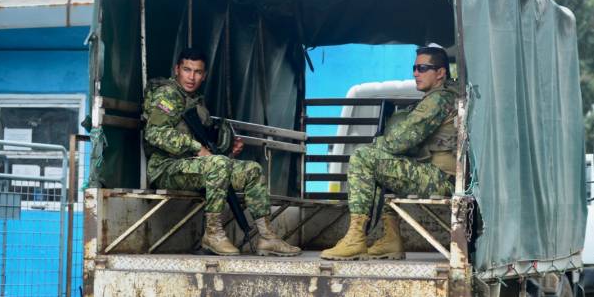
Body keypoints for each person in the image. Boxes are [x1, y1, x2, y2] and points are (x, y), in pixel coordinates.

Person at [143, 47, 300, 257]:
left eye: (198, 72)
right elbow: (154, 133)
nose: (192, 77)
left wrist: (229, 150)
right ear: (177, 69)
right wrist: (197, 148)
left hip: (193, 167)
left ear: (204, 75)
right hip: (166, 168)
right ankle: (213, 234)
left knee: (252, 170)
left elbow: (208, 149)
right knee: (218, 164)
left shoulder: (196, 101)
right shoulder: (167, 95)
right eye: (187, 70)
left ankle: (266, 237)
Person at [321, 45, 458, 261]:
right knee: (384, 165)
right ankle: (391, 239)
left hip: (441, 179)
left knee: (363, 158)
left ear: (440, 73)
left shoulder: (438, 100)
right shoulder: (443, 97)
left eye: (422, 68)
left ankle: (356, 237)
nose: (415, 73)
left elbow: (398, 142)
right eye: (414, 67)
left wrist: (377, 146)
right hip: (439, 175)